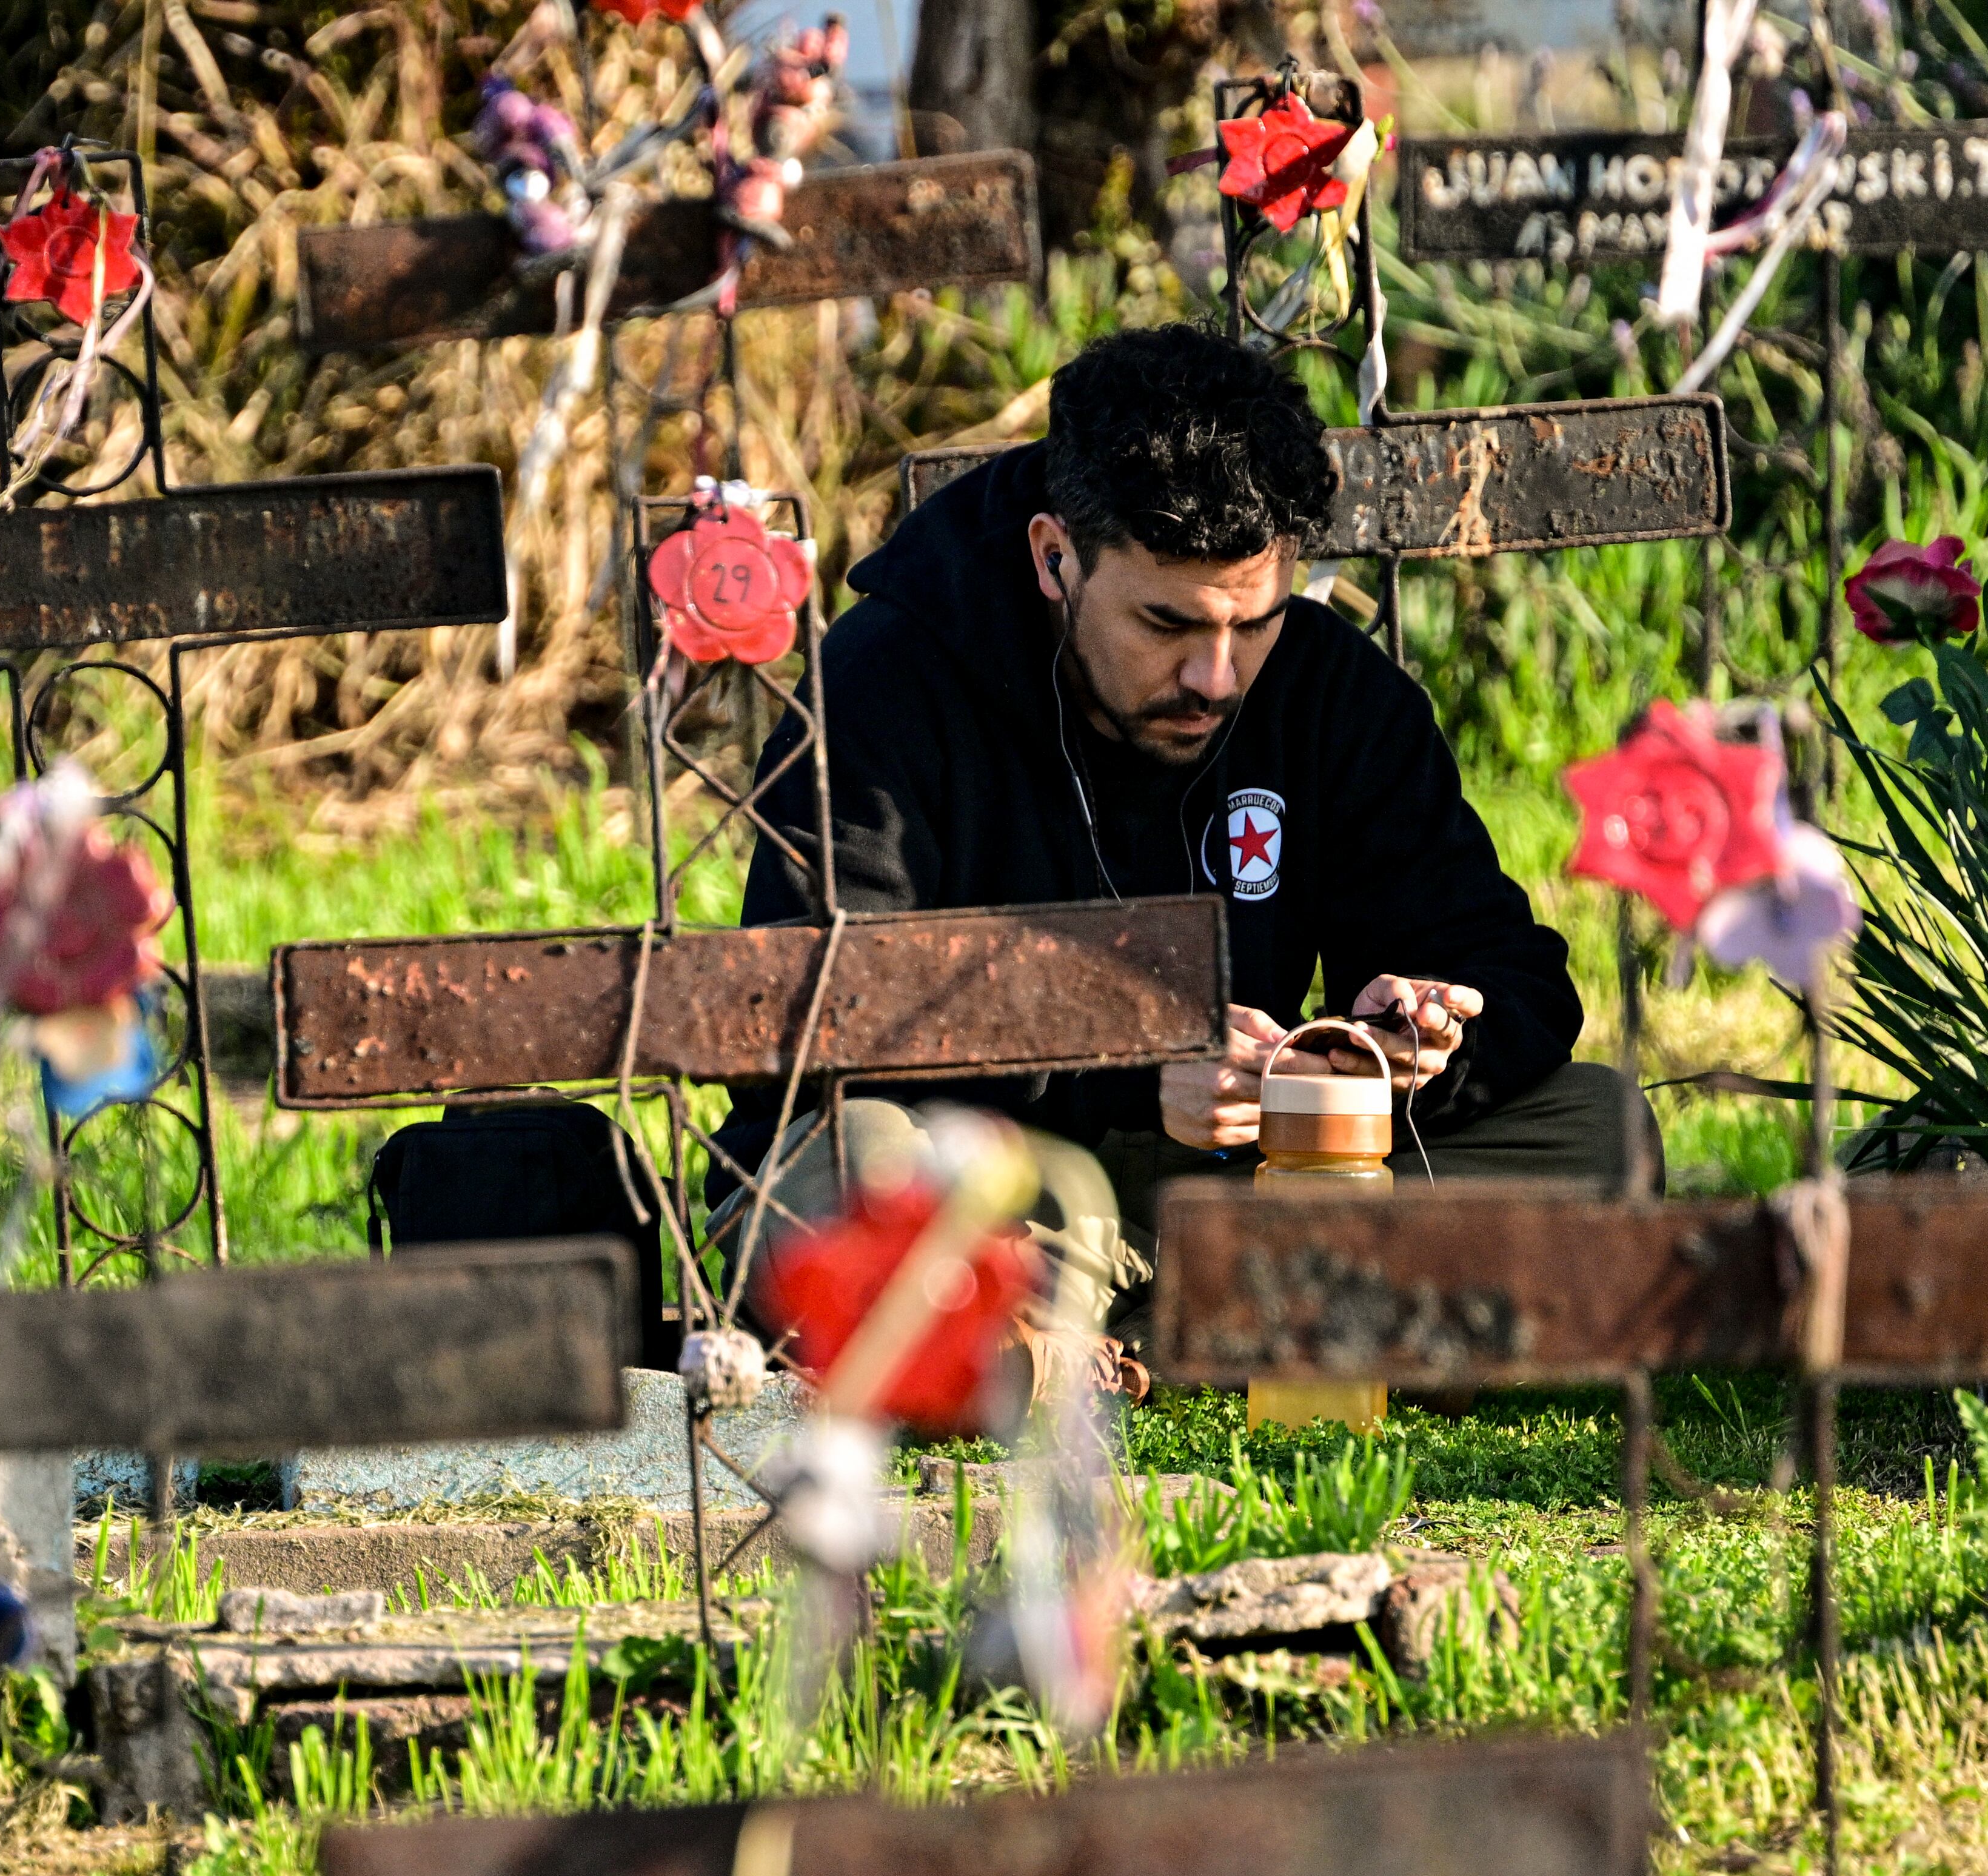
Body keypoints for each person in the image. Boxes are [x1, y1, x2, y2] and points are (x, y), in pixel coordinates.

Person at [708, 322, 1654, 1337]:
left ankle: (1094, 1329)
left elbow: (1508, 969)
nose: (1217, 677)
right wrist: (1129, 1064)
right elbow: (809, 1022)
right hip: (1001, 1179)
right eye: (1167, 626)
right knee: (844, 1174)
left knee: (1602, 1134)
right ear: (1054, 556)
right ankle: (1210, 1315)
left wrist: (1408, 1046)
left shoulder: (1328, 688)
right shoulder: (882, 687)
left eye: (1254, 622)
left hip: (1254, 1177)